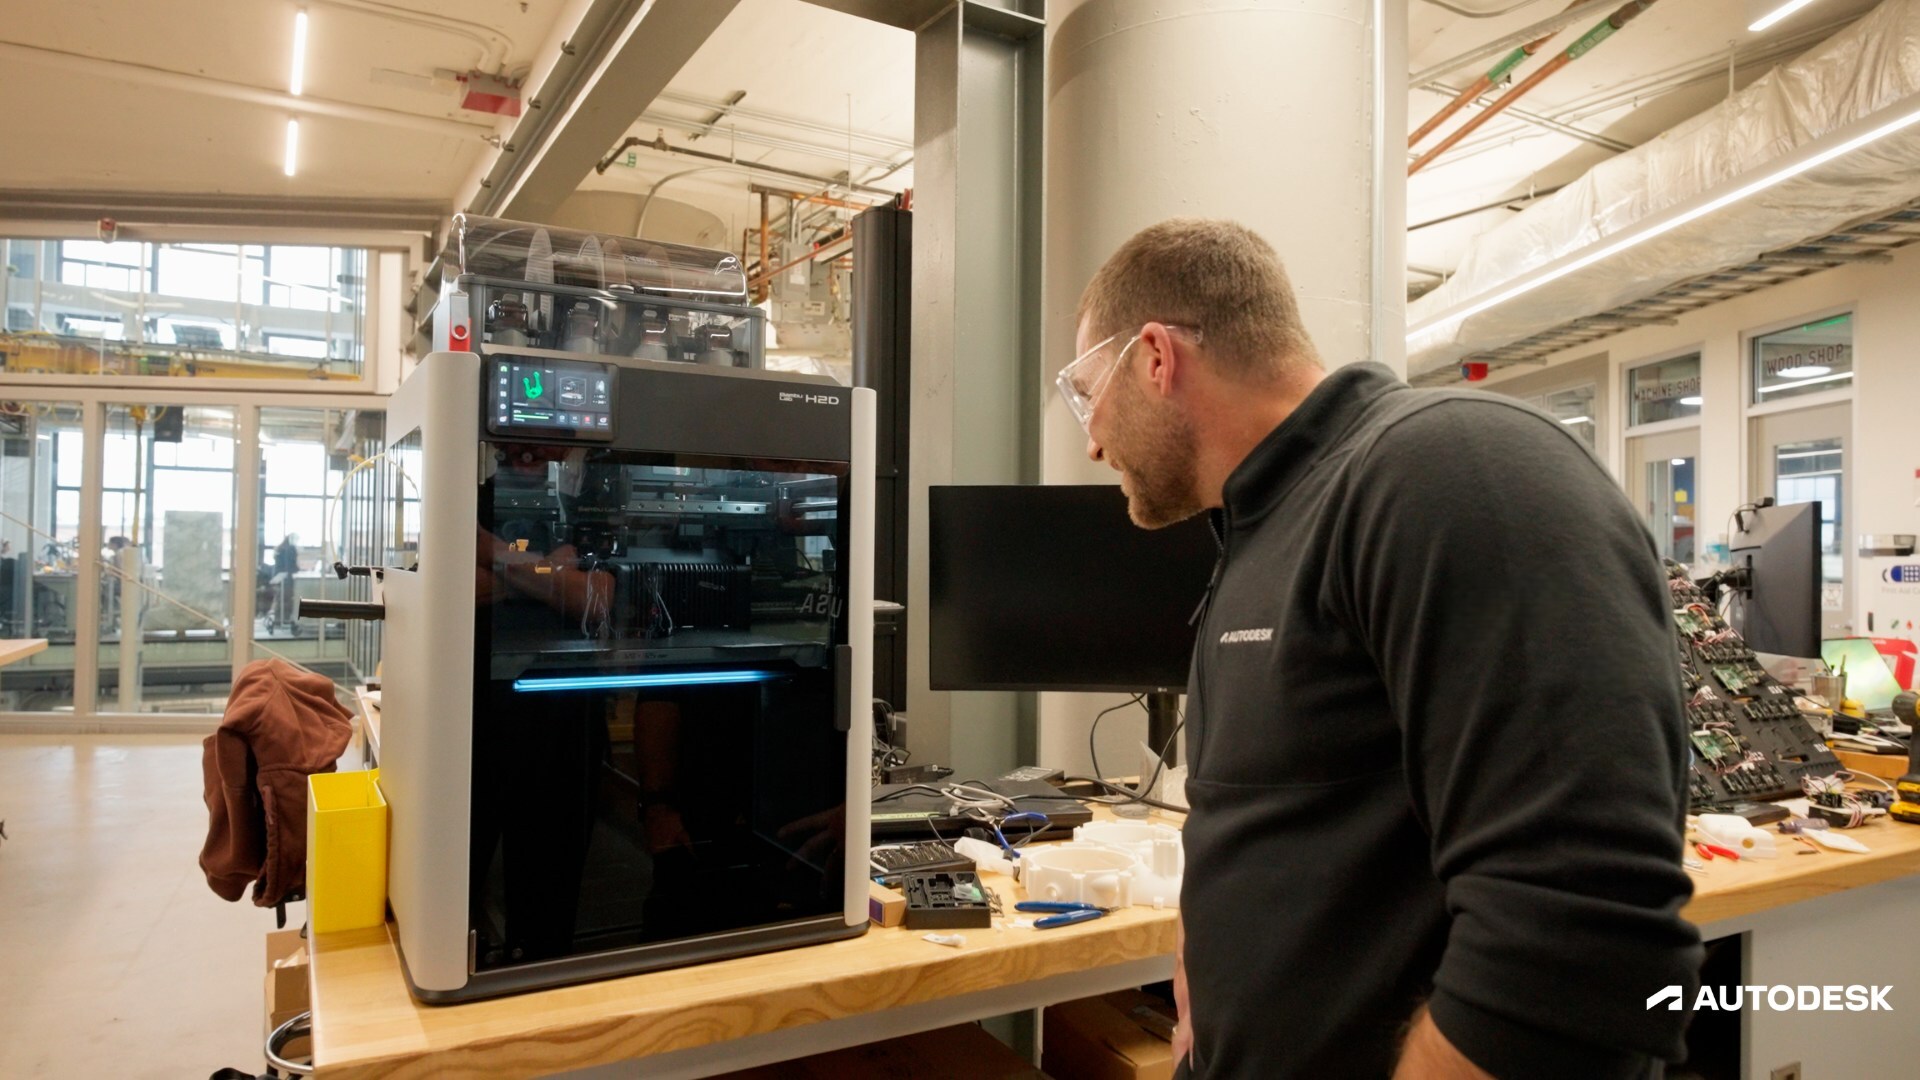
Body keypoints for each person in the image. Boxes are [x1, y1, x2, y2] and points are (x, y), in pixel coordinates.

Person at [1063, 219, 1702, 1078]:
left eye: (1085, 392)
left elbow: (1578, 938)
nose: (1091, 440)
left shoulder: (1454, 468)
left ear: (1154, 358)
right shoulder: (1260, 532)